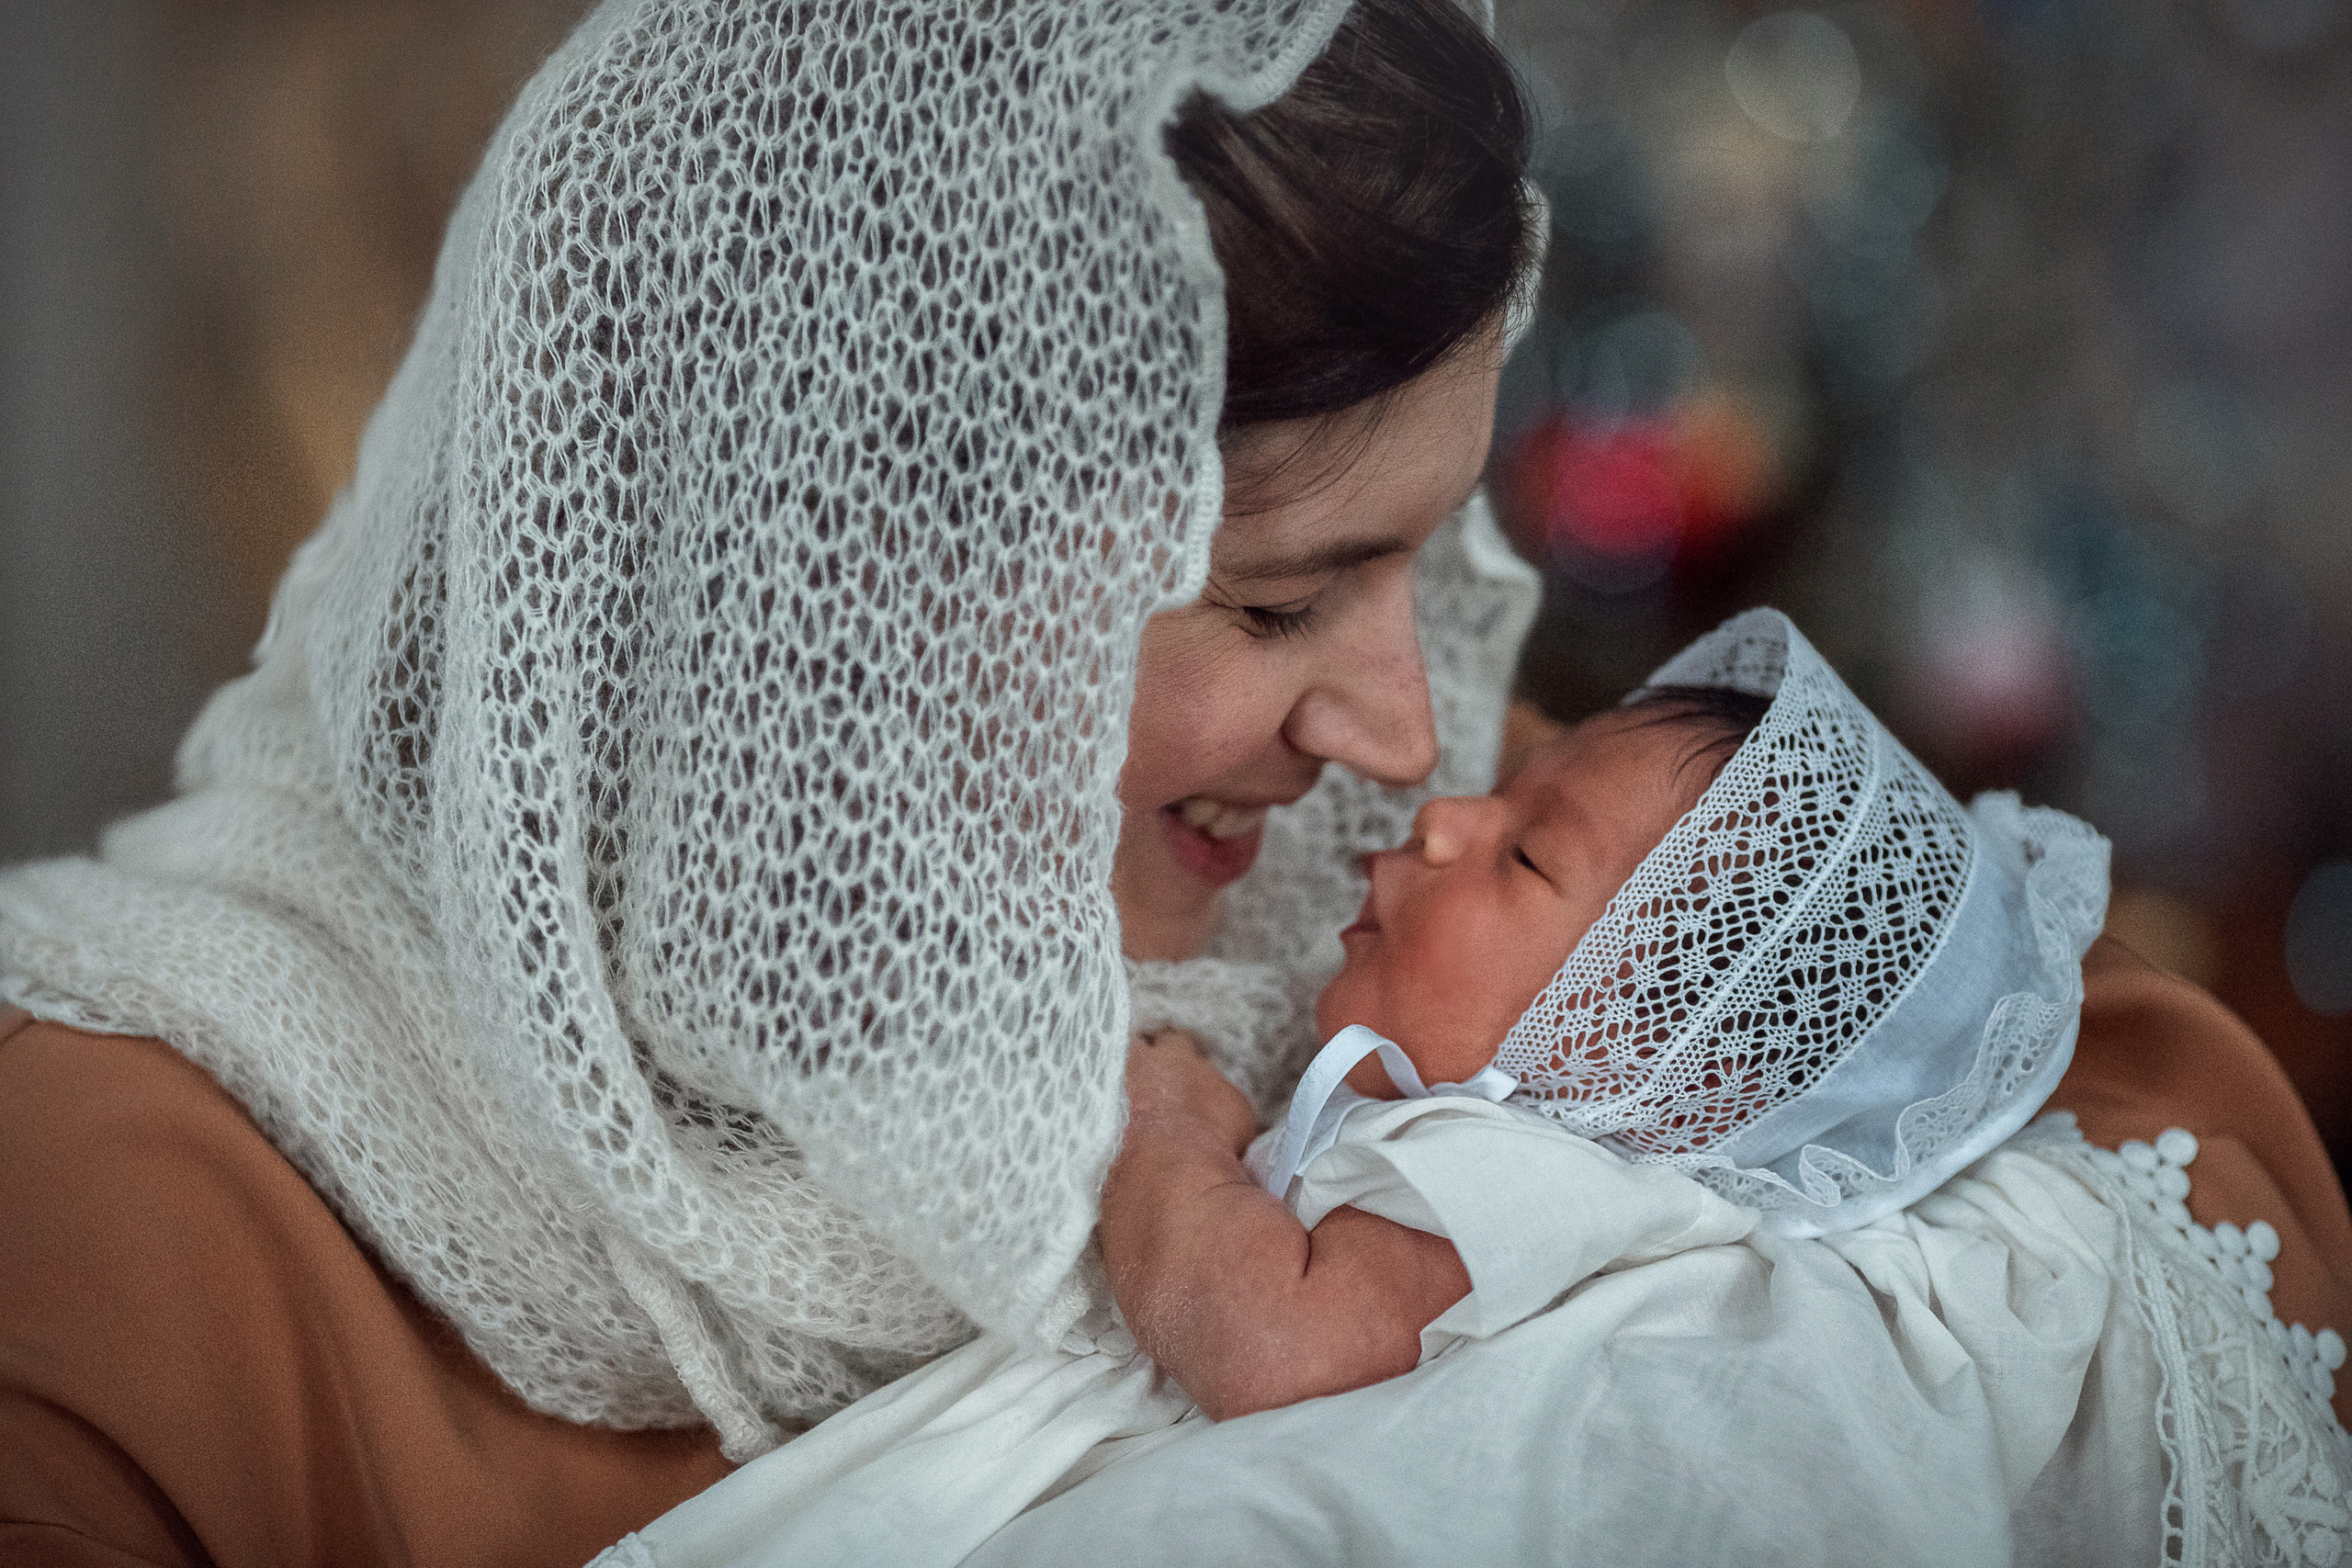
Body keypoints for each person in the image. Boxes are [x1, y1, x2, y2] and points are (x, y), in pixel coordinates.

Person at [0, 2, 2344, 1564]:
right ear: (812, 588)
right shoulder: (118, 1247)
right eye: (1274, 600)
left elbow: (2144, 1139)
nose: (1412, 734)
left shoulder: (1357, 877)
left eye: (1421, 570)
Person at [591, 609, 2347, 1567]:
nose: (1443, 817)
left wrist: (1163, 1119)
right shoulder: (1528, 1120)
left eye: (1522, 863)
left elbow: (1272, 1344)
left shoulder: (1545, 1170)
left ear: (1650, 1054)